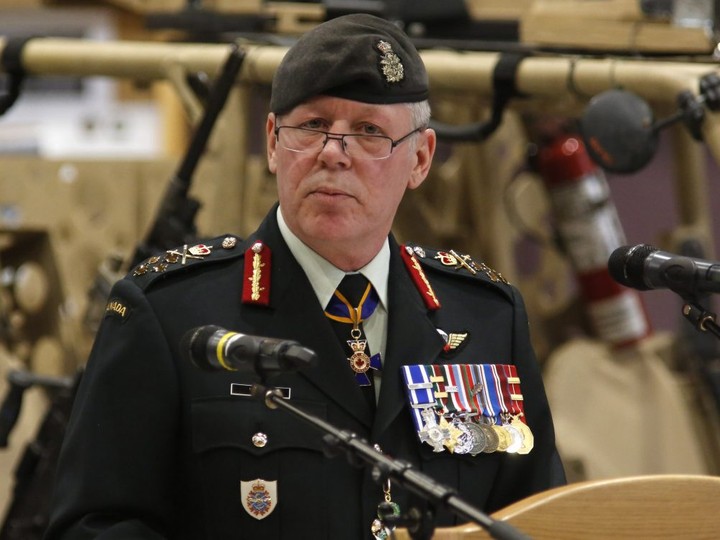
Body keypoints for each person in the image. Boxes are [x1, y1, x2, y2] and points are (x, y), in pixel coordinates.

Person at [43, 13, 565, 540]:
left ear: (420, 159)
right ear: (273, 142)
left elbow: (542, 520)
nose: (334, 154)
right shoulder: (171, 314)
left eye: (368, 132)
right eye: (313, 126)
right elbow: (92, 527)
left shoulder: (486, 318)